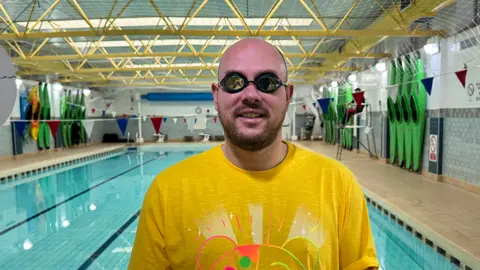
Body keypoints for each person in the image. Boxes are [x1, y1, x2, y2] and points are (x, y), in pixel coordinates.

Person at [129, 38, 379, 270]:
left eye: (267, 83)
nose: (250, 95)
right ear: (216, 96)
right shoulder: (167, 191)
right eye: (234, 82)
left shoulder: (338, 185)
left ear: (288, 95)